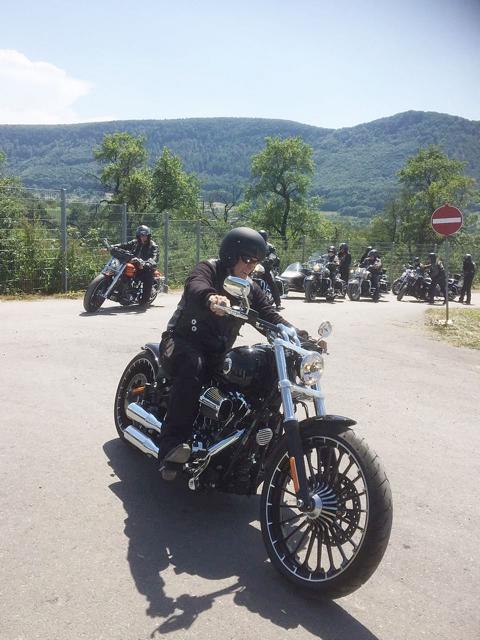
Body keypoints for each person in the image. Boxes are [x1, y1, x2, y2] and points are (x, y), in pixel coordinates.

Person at [157, 227, 307, 479]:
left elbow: (269, 315)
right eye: (247, 259)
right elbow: (195, 286)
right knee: (193, 366)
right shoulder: (209, 269)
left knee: (259, 373)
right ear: (230, 255)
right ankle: (171, 445)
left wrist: (299, 336)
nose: (250, 266)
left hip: (217, 352)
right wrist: (212, 298)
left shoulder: (249, 288)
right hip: (181, 342)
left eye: (255, 262)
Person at [112, 225, 158, 307]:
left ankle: (144, 300)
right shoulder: (135, 242)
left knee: (148, 276)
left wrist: (148, 263)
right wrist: (113, 246)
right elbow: (124, 245)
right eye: (140, 235)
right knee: (122, 269)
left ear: (148, 236)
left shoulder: (153, 245)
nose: (142, 237)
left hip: (145, 267)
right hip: (134, 264)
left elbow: (155, 256)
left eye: (144, 235)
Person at [258, 229, 283, 310]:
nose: (261, 238)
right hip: (255, 267)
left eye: (262, 237)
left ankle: (278, 303)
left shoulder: (270, 247)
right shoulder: (254, 244)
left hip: (266, 268)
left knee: (272, 282)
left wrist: (270, 259)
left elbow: (273, 255)